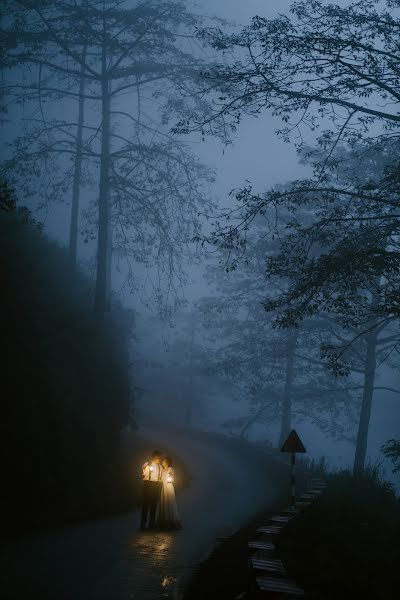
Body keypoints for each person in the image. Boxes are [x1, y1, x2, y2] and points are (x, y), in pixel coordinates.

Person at [157, 456, 182, 530]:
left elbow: (172, 478)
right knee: (164, 503)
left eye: (164, 461)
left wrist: (170, 477)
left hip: (168, 487)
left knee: (169, 502)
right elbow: (161, 479)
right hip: (164, 488)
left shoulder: (170, 469)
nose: (162, 462)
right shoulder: (163, 470)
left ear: (167, 462)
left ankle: (171, 521)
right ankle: (163, 522)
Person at [141, 450, 164, 530]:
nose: (160, 458)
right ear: (154, 456)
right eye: (159, 457)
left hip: (156, 486)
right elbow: (143, 474)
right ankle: (143, 524)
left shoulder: (161, 467)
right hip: (148, 485)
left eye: (160, 457)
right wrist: (145, 469)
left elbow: (162, 478)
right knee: (146, 505)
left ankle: (152, 524)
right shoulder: (147, 464)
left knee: (154, 506)